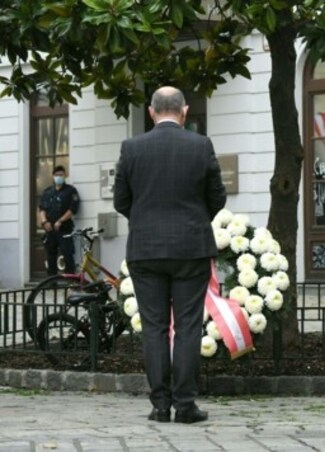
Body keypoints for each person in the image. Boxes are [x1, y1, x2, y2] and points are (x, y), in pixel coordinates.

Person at [114, 86, 227, 424]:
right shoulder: (200, 145)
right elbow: (217, 197)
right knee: (189, 326)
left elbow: (121, 200)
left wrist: (146, 221)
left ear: (151, 112)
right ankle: (185, 404)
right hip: (191, 248)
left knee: (154, 328)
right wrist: (192, 220)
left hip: (145, 250)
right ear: (185, 111)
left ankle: (160, 405)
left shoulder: (132, 148)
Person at [38, 165, 80, 275]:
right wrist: (44, 222)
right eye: (56, 175)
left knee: (67, 254)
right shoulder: (47, 192)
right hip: (50, 230)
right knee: (50, 255)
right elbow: (42, 209)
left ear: (65, 176)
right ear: (53, 176)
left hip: (64, 229)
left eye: (61, 175)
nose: (58, 177)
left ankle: (71, 282)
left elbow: (73, 209)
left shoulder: (71, 191)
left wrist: (60, 221)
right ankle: (51, 283)